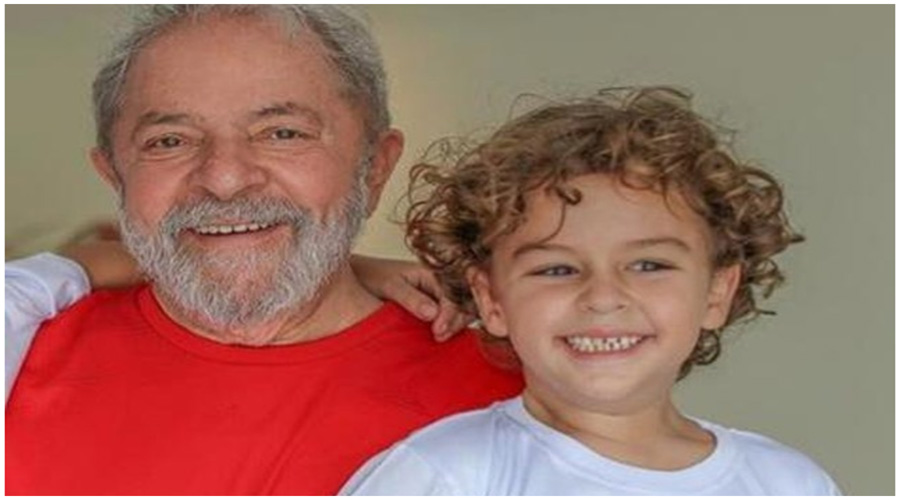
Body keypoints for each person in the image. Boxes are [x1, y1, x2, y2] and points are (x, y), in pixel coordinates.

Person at [5, 5, 521, 495]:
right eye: (170, 141)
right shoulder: (19, 347)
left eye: (282, 133)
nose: (225, 179)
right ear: (114, 174)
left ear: (375, 167)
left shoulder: (520, 398)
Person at [339, 86, 842, 495]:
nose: (603, 297)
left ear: (716, 292)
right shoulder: (446, 475)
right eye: (557, 269)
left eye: (648, 265)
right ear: (492, 300)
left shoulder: (787, 483)